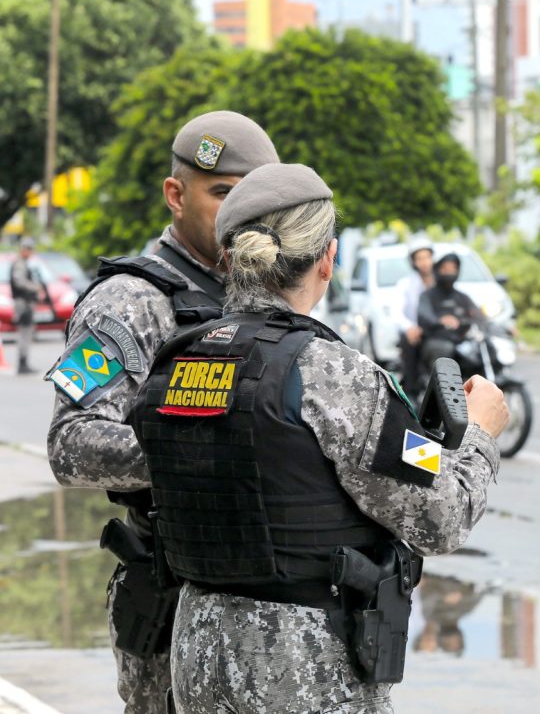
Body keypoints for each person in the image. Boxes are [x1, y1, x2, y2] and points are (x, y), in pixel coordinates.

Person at [129, 163, 508, 713]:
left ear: (231, 261)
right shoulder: (335, 375)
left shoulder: (175, 359)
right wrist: (478, 435)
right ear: (327, 259)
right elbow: (440, 516)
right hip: (302, 664)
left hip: (196, 650)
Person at [46, 110, 279, 713]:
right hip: (173, 594)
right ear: (176, 195)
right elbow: (71, 445)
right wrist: (203, 451)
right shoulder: (130, 303)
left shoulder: (268, 292)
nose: (240, 215)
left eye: (253, 198)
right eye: (223, 194)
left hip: (267, 604)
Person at [416, 252, 485, 373]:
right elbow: (424, 315)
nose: (449, 272)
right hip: (436, 340)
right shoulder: (428, 296)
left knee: (485, 348)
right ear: (438, 270)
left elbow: (479, 316)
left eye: (453, 269)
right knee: (444, 351)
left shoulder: (462, 297)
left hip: (461, 340)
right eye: (445, 269)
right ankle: (439, 389)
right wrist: (441, 321)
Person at [394, 239, 435, 391]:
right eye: (419, 258)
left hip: (437, 331)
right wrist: (409, 327)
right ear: (414, 262)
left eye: (427, 257)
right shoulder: (405, 284)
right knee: (409, 343)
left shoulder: (441, 281)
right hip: (415, 332)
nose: (424, 262)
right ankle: (411, 389)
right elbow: (397, 312)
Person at [9, 237, 43, 374]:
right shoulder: (19, 263)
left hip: (25, 301)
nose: (29, 252)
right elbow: (20, 282)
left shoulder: (23, 263)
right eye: (28, 249)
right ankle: (22, 363)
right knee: (25, 332)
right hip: (23, 302)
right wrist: (36, 288)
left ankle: (23, 362)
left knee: (26, 332)